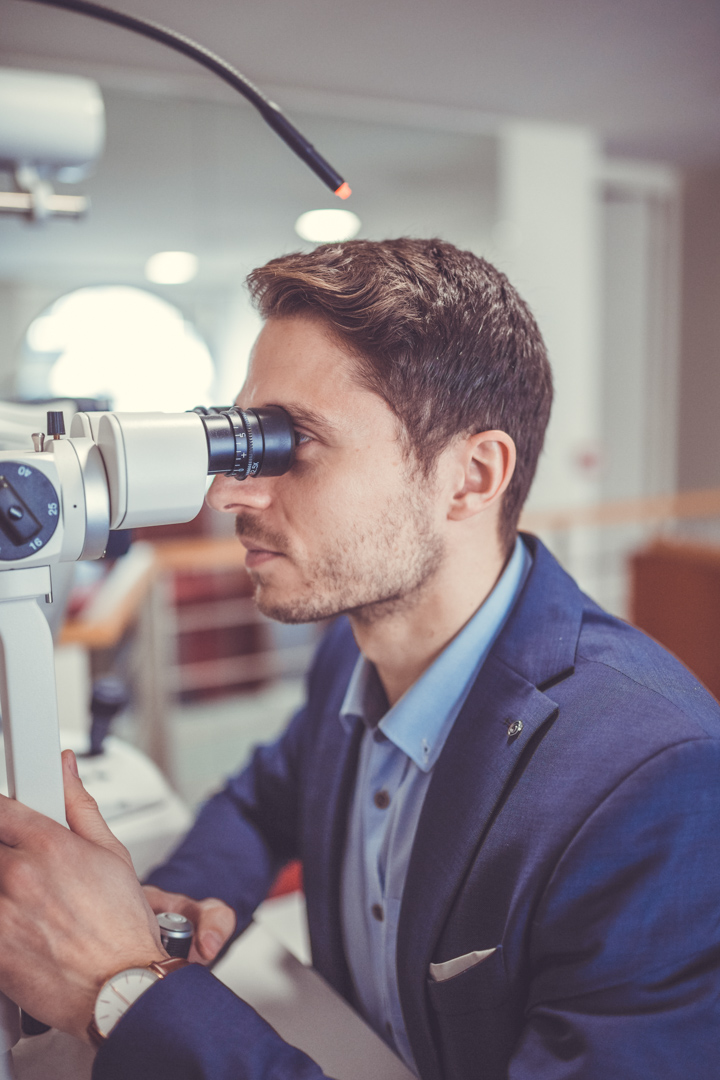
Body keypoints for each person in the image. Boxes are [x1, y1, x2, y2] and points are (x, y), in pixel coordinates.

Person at [0, 238, 719, 1080]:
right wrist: (178, 906)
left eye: (289, 443)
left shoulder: (661, 786)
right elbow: (268, 794)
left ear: (470, 476)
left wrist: (125, 987)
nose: (230, 491)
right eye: (241, 441)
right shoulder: (353, 650)